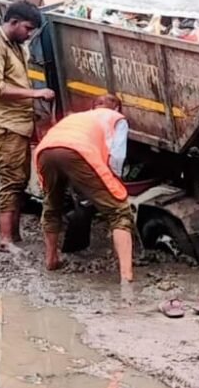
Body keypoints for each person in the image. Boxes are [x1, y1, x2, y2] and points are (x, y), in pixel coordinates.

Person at [34, 94, 134, 285]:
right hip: (78, 151)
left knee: (52, 204)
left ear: (93, 106)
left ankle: (51, 260)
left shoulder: (76, 117)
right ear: (117, 109)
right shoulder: (117, 119)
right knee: (119, 211)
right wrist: (115, 181)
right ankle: (126, 275)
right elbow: (117, 157)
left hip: (45, 151)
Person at [0, 0, 55, 250]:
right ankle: (5, 240)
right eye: (27, 28)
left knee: (20, 180)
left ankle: (14, 235)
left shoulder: (17, 45)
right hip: (7, 126)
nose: (30, 34)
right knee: (11, 181)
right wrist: (35, 95)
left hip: (20, 123)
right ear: (12, 22)